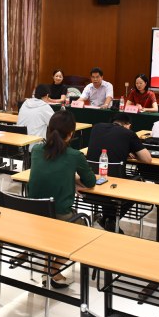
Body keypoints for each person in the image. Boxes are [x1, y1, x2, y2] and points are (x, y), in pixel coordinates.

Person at [28, 111, 96, 287]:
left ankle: (50, 269)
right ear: (71, 134)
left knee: (51, 223)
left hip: (32, 214)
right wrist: (74, 178)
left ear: (49, 130)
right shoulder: (75, 155)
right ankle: (53, 271)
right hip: (58, 215)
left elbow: (48, 173)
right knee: (83, 232)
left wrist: (69, 176)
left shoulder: (36, 150)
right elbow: (90, 182)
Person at [86, 113, 152, 232]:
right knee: (138, 183)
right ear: (128, 125)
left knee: (109, 178)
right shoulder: (128, 133)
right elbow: (147, 159)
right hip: (115, 185)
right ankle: (110, 219)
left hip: (91, 181)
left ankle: (108, 219)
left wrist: (125, 149)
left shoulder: (97, 127)